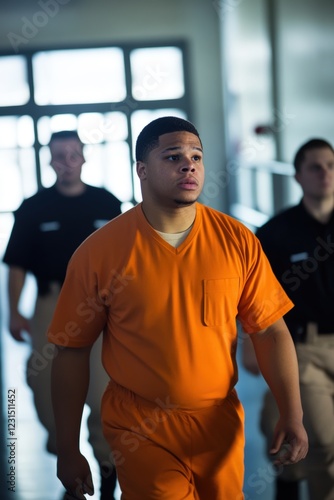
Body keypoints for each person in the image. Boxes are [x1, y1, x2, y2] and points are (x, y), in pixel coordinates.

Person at [48, 116, 308, 500]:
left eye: (196, 156)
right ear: (141, 170)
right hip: (140, 425)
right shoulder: (100, 252)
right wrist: (68, 448)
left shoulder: (236, 240)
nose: (189, 165)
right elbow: (71, 350)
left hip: (218, 423)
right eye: (172, 157)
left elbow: (269, 329)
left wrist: (293, 412)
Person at [3, 130, 122, 500]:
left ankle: (106, 475)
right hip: (51, 305)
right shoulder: (33, 207)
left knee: (106, 395)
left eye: (73, 154)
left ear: (84, 157)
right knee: (46, 392)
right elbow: (17, 265)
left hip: (101, 306)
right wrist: (14, 312)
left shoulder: (106, 202)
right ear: (50, 160)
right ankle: (68, 458)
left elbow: (127, 260)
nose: (67, 162)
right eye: (59, 156)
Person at [243, 138, 334, 500]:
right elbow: (253, 299)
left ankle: (288, 478)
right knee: (324, 444)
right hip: (302, 350)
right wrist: (250, 345)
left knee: (292, 440)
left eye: (330, 165)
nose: (325, 173)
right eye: (315, 166)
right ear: (298, 176)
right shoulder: (275, 232)